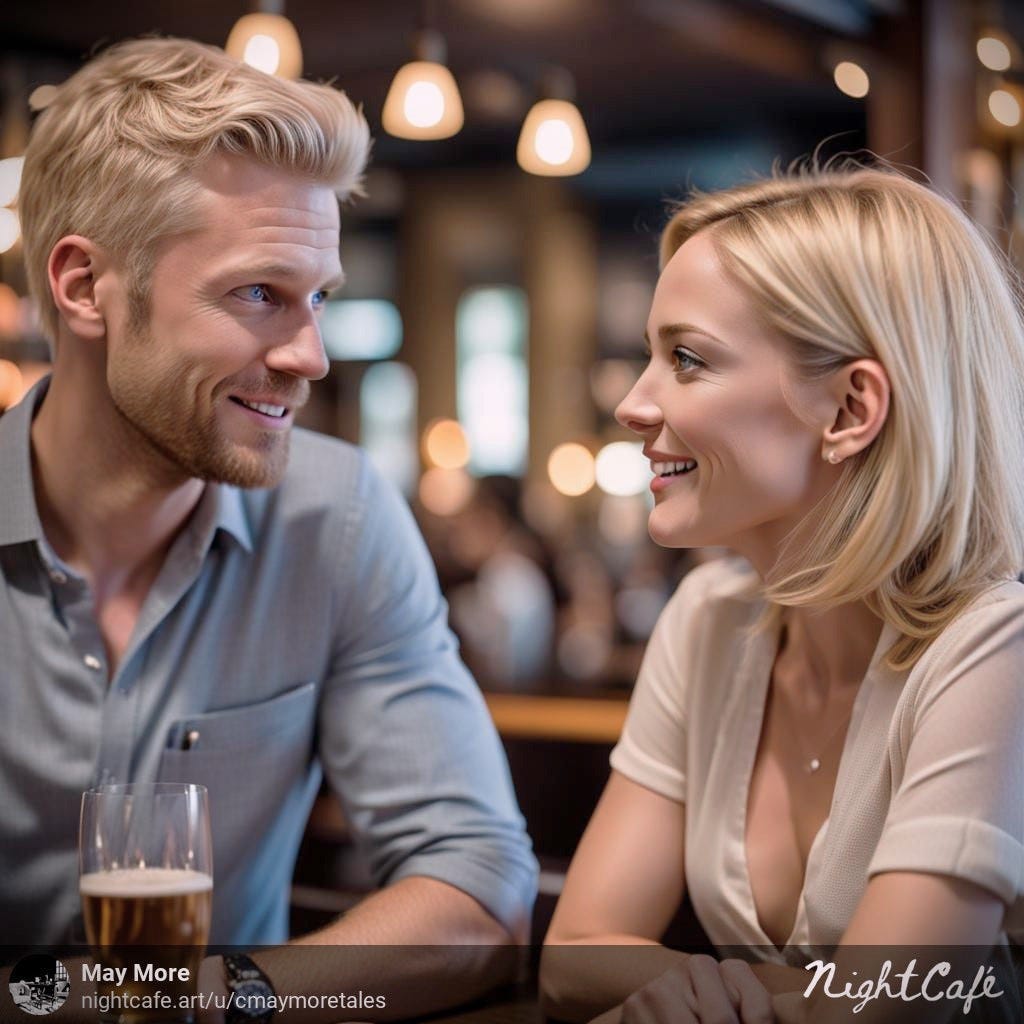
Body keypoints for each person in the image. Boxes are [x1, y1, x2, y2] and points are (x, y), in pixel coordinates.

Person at [1, 36, 536, 1018]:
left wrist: (224, 998)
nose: (312, 355)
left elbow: (478, 885)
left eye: (318, 297)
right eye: (259, 293)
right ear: (85, 288)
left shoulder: (336, 516)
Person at [540, 166, 1024, 1023]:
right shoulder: (708, 623)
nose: (631, 404)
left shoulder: (995, 647)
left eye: (686, 359)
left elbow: (882, 1012)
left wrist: (694, 986)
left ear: (850, 408)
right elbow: (575, 956)